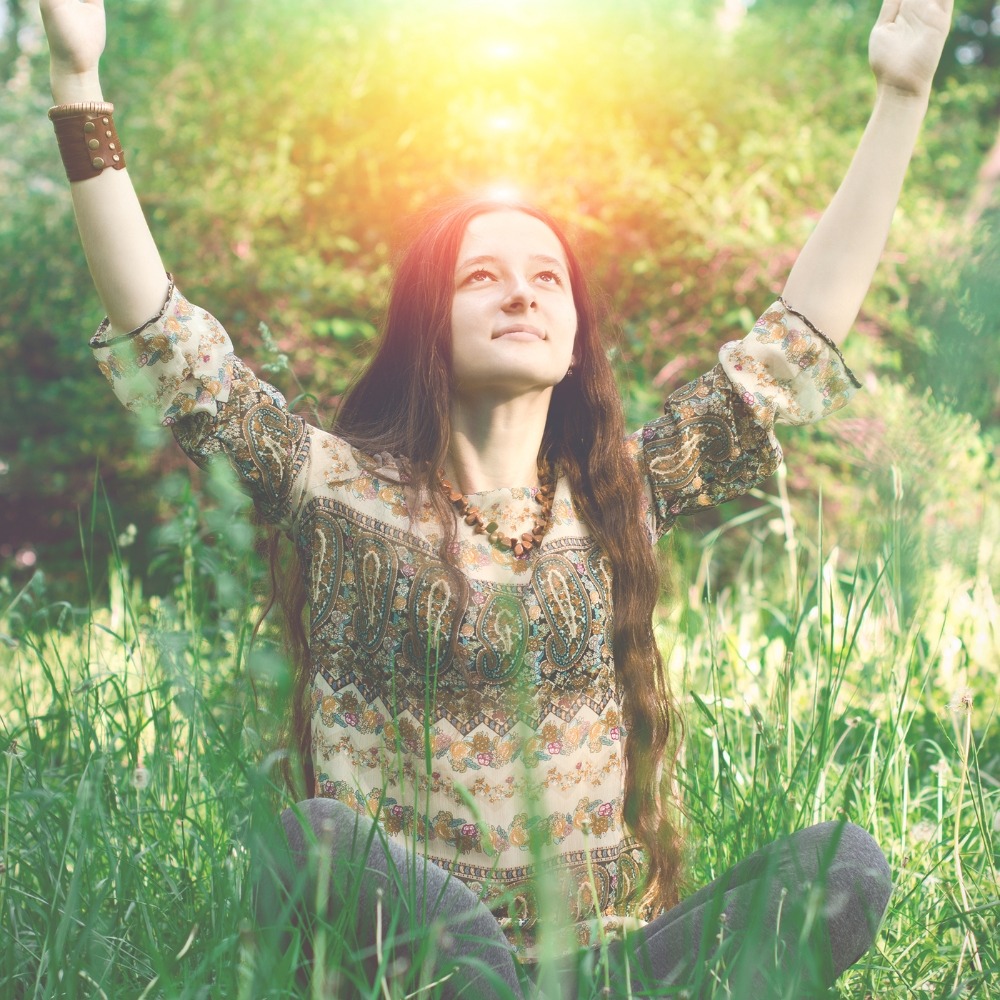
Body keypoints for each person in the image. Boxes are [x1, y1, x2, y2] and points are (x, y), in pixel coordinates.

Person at [39, 0, 953, 995]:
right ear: (432, 324)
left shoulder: (623, 496)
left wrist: (901, 95)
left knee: (843, 867)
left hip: (603, 970)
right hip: (415, 967)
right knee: (314, 841)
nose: (521, 292)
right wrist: (78, 83)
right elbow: (173, 348)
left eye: (546, 278)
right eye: (482, 275)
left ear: (571, 341)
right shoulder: (338, 490)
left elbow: (794, 344)